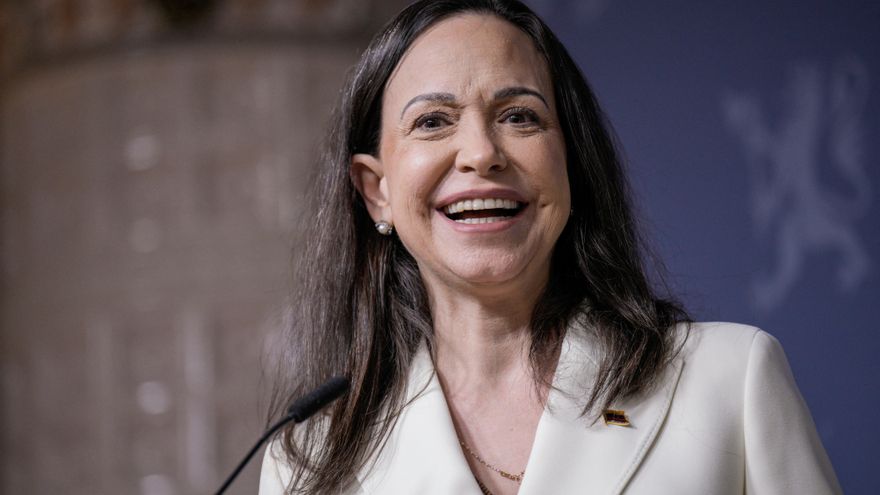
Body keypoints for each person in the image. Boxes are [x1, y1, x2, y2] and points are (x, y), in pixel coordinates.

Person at [260, 1, 841, 493]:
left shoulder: (730, 379)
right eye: (433, 122)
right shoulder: (308, 461)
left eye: (519, 116)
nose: (480, 153)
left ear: (571, 165)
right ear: (377, 192)